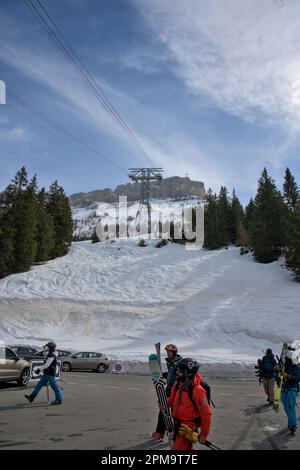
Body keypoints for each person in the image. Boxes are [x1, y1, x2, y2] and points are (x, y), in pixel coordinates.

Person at [167, 357, 211, 450]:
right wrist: (164, 403)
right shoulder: (178, 384)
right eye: (177, 371)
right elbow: (171, 400)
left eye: (180, 371)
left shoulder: (197, 390)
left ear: (188, 373)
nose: (177, 373)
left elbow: (206, 414)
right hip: (177, 423)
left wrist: (203, 435)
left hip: (188, 427)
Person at [152, 344, 182, 441]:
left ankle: (177, 435)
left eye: (169, 352)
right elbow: (170, 374)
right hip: (169, 388)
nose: (168, 353)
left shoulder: (178, 361)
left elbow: (178, 374)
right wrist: (162, 375)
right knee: (163, 410)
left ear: (174, 352)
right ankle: (160, 433)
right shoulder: (170, 362)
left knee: (175, 413)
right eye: (167, 352)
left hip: (176, 389)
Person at [281, 356, 300, 435]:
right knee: (286, 408)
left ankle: (293, 425)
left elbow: (298, 378)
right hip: (284, 389)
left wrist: (288, 376)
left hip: (292, 389)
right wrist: (277, 370)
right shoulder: (284, 367)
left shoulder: (297, 367)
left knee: (290, 407)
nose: (285, 360)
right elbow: (279, 377)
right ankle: (290, 424)